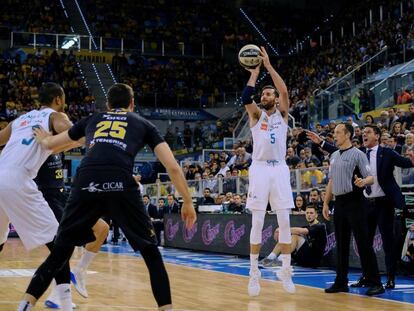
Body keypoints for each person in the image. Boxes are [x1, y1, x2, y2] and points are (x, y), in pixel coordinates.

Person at [18, 83, 196, 311]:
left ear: (108, 105)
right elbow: (172, 166)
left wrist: (43, 138)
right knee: (151, 253)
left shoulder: (94, 118)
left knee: (60, 252)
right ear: (132, 104)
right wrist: (187, 201)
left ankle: (25, 304)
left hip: (86, 180)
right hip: (120, 181)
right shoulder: (143, 124)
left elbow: (52, 144)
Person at [0, 82, 81, 311]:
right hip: (17, 179)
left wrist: (53, 145)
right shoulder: (55, 116)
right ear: (57, 99)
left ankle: (62, 300)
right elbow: (73, 131)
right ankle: (63, 302)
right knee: (60, 245)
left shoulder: (21, 120)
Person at [241, 47, 295, 295]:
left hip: (280, 169)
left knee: (284, 220)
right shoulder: (256, 116)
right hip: (260, 169)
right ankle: (254, 273)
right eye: (263, 93)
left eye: (269, 92)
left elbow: (284, 90)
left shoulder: (283, 114)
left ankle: (286, 269)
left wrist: (269, 67)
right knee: (258, 221)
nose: (266, 95)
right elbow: (245, 97)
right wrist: (254, 73)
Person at [35, 154, 110, 307]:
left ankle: (78, 272)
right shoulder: (40, 140)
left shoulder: (59, 145)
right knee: (63, 247)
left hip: (64, 196)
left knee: (102, 229)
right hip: (47, 198)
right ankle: (57, 296)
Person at [323, 123, 384, 296]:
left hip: (356, 202)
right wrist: (327, 203)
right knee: (341, 245)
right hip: (339, 203)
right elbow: (331, 181)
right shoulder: (333, 155)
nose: (334, 135)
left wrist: (364, 182)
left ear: (348, 134)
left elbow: (371, 177)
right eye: (334, 132)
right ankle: (341, 282)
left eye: (337, 133)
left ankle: (375, 282)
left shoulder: (358, 154)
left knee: (363, 243)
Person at [350, 125, 414, 289]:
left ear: (377, 136)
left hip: (384, 203)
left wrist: (412, 157)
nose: (364, 134)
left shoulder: (387, 152)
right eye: (363, 133)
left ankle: (391, 278)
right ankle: (367, 276)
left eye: (368, 132)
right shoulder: (359, 155)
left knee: (388, 242)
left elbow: (406, 163)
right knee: (364, 243)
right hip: (366, 204)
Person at [260, 205, 327, 268]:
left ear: (316, 215)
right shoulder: (307, 226)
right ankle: (270, 258)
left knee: (295, 236)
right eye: (307, 213)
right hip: (303, 258)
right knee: (287, 238)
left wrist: (280, 229)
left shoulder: (320, 226)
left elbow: (302, 231)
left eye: (311, 213)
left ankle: (281, 260)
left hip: (314, 260)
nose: (309, 215)